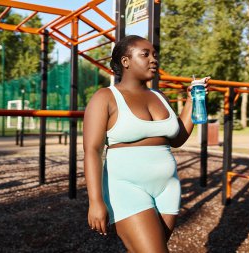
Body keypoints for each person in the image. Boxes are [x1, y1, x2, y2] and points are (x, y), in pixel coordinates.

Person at [83, 35, 209, 253]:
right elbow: (92, 151)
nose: (154, 59)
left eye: (155, 55)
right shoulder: (105, 97)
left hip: (168, 187)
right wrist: (95, 201)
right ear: (125, 61)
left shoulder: (159, 96)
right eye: (145, 54)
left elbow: (177, 139)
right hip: (126, 187)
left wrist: (191, 100)